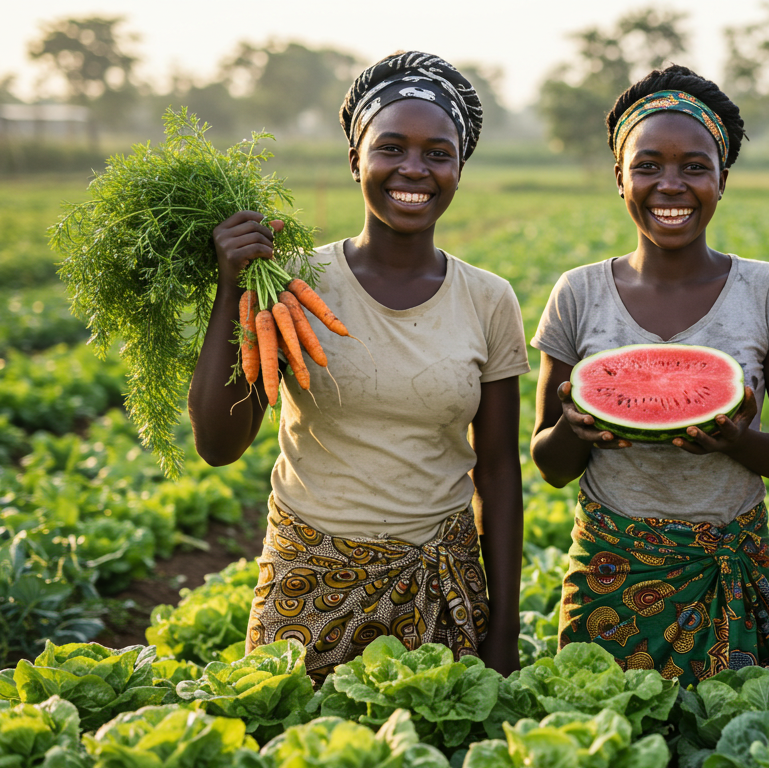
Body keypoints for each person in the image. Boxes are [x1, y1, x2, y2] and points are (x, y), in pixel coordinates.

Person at [188, 51, 526, 681]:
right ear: (355, 161)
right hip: (308, 580)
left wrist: (503, 632)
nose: (414, 170)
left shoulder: (488, 298)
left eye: (438, 154)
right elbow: (218, 444)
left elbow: (501, 472)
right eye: (391, 148)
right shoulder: (291, 282)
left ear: (459, 170)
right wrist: (229, 290)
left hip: (440, 584)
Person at [529, 65, 769, 684]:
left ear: (721, 180)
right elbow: (549, 465)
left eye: (694, 166)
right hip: (612, 568)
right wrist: (576, 430)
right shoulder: (577, 294)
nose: (670, 185)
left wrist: (740, 441)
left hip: (728, 564)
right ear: (619, 177)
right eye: (648, 165)